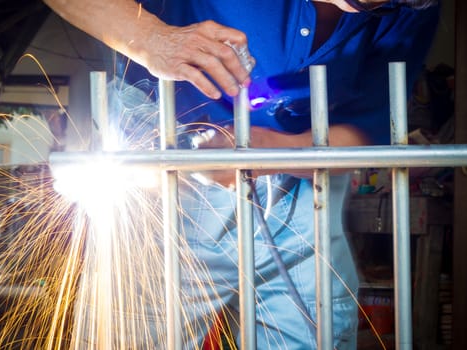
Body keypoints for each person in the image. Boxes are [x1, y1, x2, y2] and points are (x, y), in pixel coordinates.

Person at [43, 0, 441, 348]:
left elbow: (365, 128)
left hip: (304, 179)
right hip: (162, 159)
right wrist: (151, 37)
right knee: (131, 330)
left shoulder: (410, 6)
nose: (362, 6)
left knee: (316, 330)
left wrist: (273, 149)